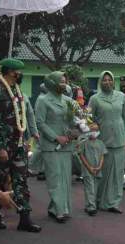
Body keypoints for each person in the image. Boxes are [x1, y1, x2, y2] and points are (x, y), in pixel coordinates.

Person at [0, 58, 41, 232]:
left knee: (21, 180)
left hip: (18, 144)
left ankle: (25, 218)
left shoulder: (15, 89)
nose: (21, 74)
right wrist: (1, 147)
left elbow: (22, 116)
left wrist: (25, 140)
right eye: (19, 71)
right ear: (11, 72)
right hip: (3, 146)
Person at [88, 71, 125, 214]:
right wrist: (92, 131)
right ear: (100, 82)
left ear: (113, 82)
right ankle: (98, 200)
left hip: (120, 139)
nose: (107, 82)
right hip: (102, 140)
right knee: (102, 172)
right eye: (104, 80)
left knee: (117, 173)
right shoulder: (95, 99)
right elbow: (88, 118)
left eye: (110, 80)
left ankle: (114, 202)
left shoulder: (121, 97)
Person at [36, 71, 75, 224]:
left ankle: (56, 208)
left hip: (66, 145)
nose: (64, 84)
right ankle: (60, 210)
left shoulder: (68, 101)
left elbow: (72, 121)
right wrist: (56, 136)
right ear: (52, 83)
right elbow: (40, 123)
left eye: (65, 81)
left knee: (65, 178)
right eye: (61, 81)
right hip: (51, 146)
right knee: (55, 178)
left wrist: (77, 130)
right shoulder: (43, 100)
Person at [78, 125, 107, 216]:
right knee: (89, 187)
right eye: (91, 130)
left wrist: (99, 167)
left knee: (95, 187)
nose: (93, 132)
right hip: (87, 170)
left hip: (98, 170)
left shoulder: (101, 143)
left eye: (96, 130)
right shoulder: (84, 143)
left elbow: (102, 155)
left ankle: (90, 205)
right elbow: (81, 156)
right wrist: (89, 167)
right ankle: (91, 207)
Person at [29, 83, 48, 181]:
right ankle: (30, 166)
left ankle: (41, 170)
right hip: (42, 126)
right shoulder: (42, 98)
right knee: (40, 148)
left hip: (43, 126)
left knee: (42, 149)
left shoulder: (42, 97)